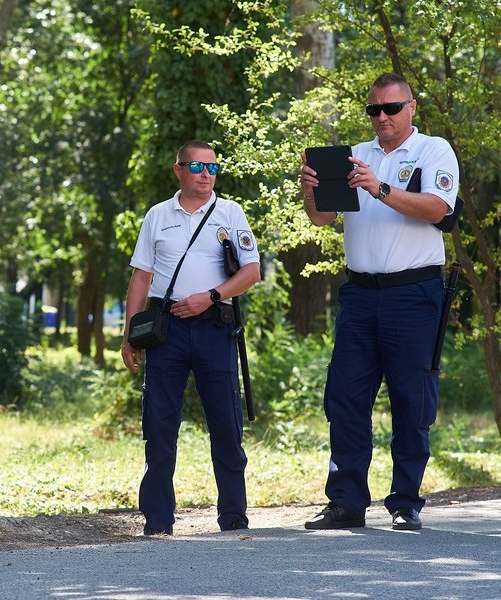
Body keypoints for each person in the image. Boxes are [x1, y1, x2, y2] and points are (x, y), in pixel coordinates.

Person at [299, 73, 459, 531]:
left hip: (413, 293)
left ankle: (405, 501)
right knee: (345, 397)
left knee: (411, 398)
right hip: (360, 294)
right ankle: (346, 502)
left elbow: (439, 209)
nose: (382, 117)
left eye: (392, 108)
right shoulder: (357, 155)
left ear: (412, 107)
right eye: (374, 109)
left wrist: (381, 189)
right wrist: (310, 189)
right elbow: (322, 219)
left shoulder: (432, 150)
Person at [122, 140, 261, 534]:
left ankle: (233, 517)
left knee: (226, 424)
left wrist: (210, 296)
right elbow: (141, 278)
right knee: (159, 425)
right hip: (166, 331)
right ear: (178, 169)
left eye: (212, 168)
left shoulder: (230, 213)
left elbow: (251, 272)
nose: (205, 175)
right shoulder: (157, 216)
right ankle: (158, 521)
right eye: (197, 167)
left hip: (215, 326)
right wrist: (129, 335)